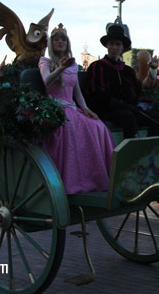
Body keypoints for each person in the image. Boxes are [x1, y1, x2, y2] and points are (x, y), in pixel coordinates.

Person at [39, 24, 115, 194]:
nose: (60, 42)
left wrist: (86, 109)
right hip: (54, 108)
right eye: (56, 39)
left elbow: (77, 92)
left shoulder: (73, 65)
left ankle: (98, 177)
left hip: (72, 109)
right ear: (51, 43)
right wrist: (61, 68)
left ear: (68, 43)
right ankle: (67, 183)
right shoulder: (45, 61)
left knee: (98, 127)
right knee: (70, 129)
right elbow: (46, 81)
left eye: (63, 39)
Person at [85, 24, 159, 139]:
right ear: (107, 45)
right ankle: (130, 152)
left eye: (118, 44)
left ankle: (152, 150)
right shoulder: (97, 67)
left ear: (122, 47)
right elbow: (98, 95)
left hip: (130, 109)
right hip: (107, 111)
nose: (114, 47)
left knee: (156, 117)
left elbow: (137, 90)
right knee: (128, 116)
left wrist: (133, 101)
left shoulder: (127, 71)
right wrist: (122, 105)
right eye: (111, 44)